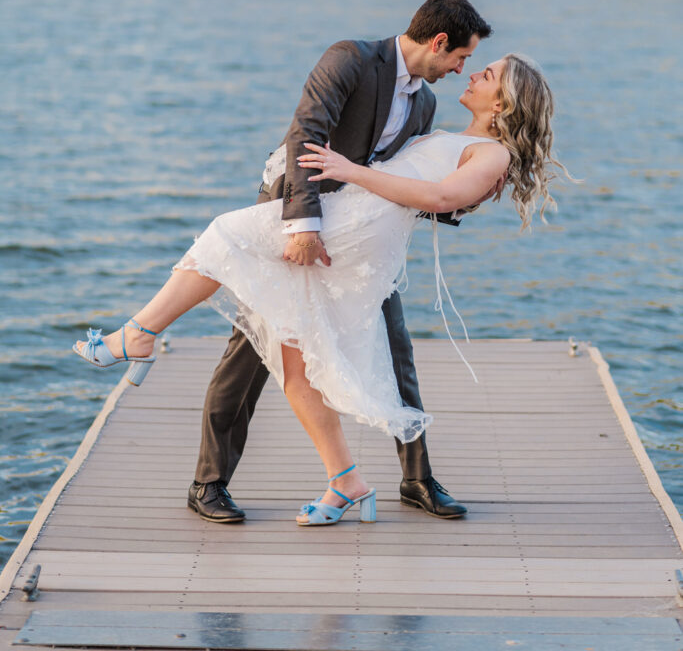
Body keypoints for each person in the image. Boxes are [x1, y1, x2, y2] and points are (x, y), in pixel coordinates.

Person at [74, 48, 569, 527]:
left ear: (502, 103)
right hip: (347, 220)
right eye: (471, 63)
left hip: (348, 232)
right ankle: (345, 482)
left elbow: (441, 196)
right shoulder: (441, 126)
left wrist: (349, 171)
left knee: (224, 237)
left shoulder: (492, 153)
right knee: (296, 368)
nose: (472, 74)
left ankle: (137, 335)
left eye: (485, 73)